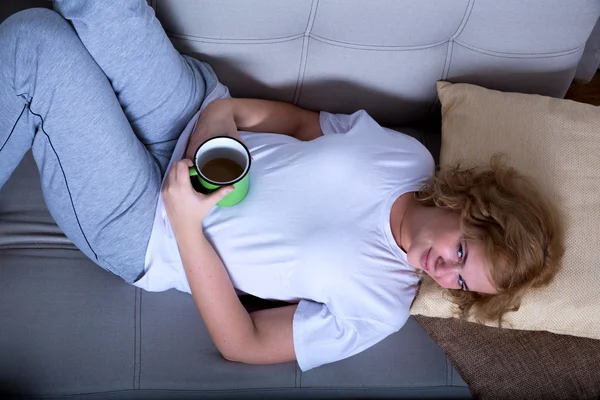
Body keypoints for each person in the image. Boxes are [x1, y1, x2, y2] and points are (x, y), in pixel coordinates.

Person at [0, 1, 562, 371]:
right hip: (193, 120)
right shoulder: (407, 155)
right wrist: (225, 114)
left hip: (150, 227)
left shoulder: (380, 306)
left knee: (39, 42)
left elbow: (243, 343)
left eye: (461, 279)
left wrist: (187, 225)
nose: (442, 272)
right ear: (468, 206)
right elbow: (297, 123)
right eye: (459, 251)